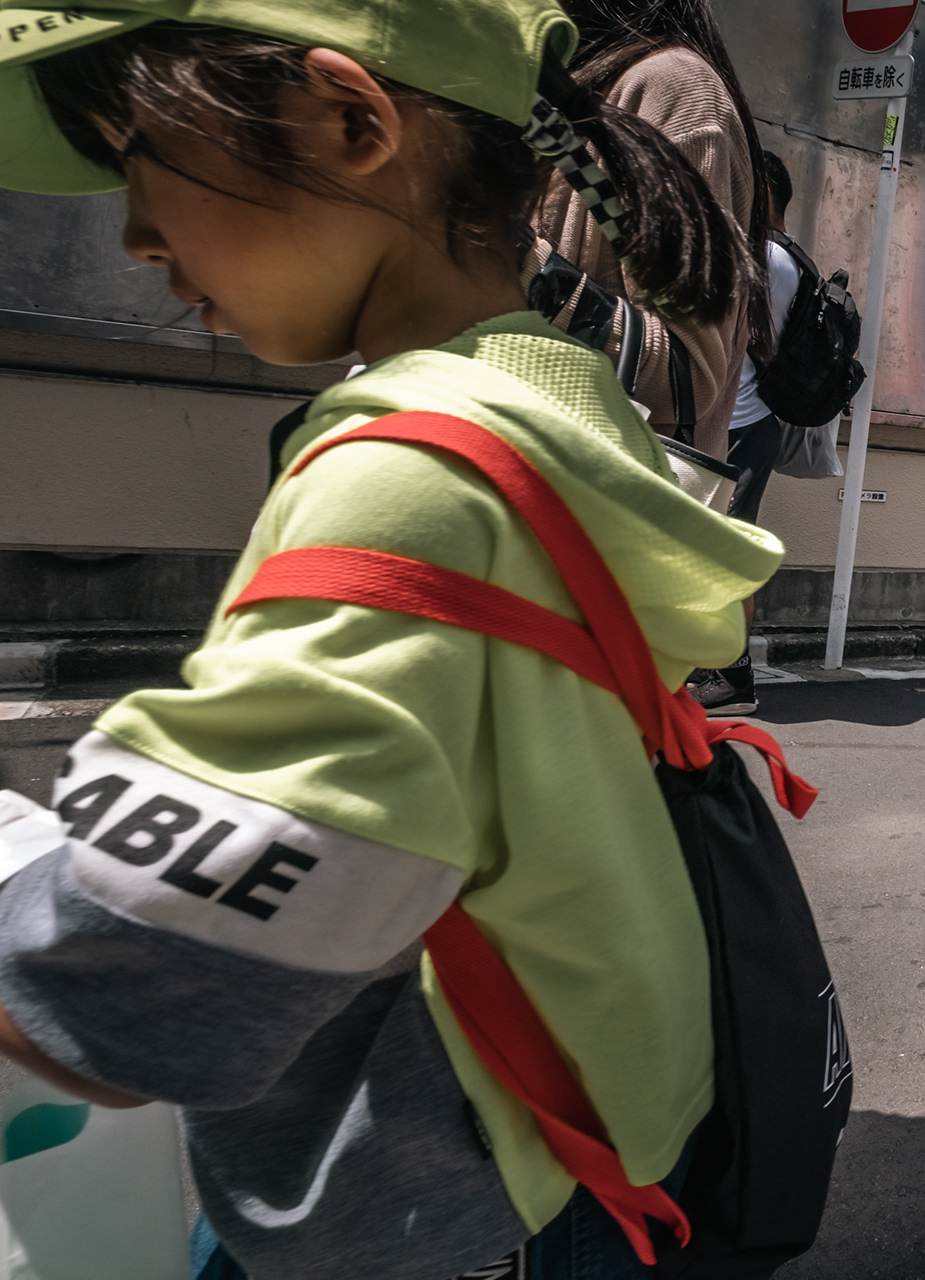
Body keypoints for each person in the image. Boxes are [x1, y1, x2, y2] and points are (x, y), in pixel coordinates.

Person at [0, 5, 783, 1278]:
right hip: (596, 1127)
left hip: (449, 1186)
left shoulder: (406, 481)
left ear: (353, 120)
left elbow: (144, 976)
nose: (135, 232)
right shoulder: (553, 398)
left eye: (141, 153)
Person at [537, 0, 769, 464]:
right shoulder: (544, 90)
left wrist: (514, 266)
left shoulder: (672, 86)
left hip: (600, 489)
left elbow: (687, 378)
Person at [689, 151, 802, 716]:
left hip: (737, 424)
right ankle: (709, 664)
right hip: (739, 424)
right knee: (711, 550)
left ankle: (732, 678)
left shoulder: (767, 257)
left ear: (760, 192)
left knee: (726, 554)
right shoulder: (782, 257)